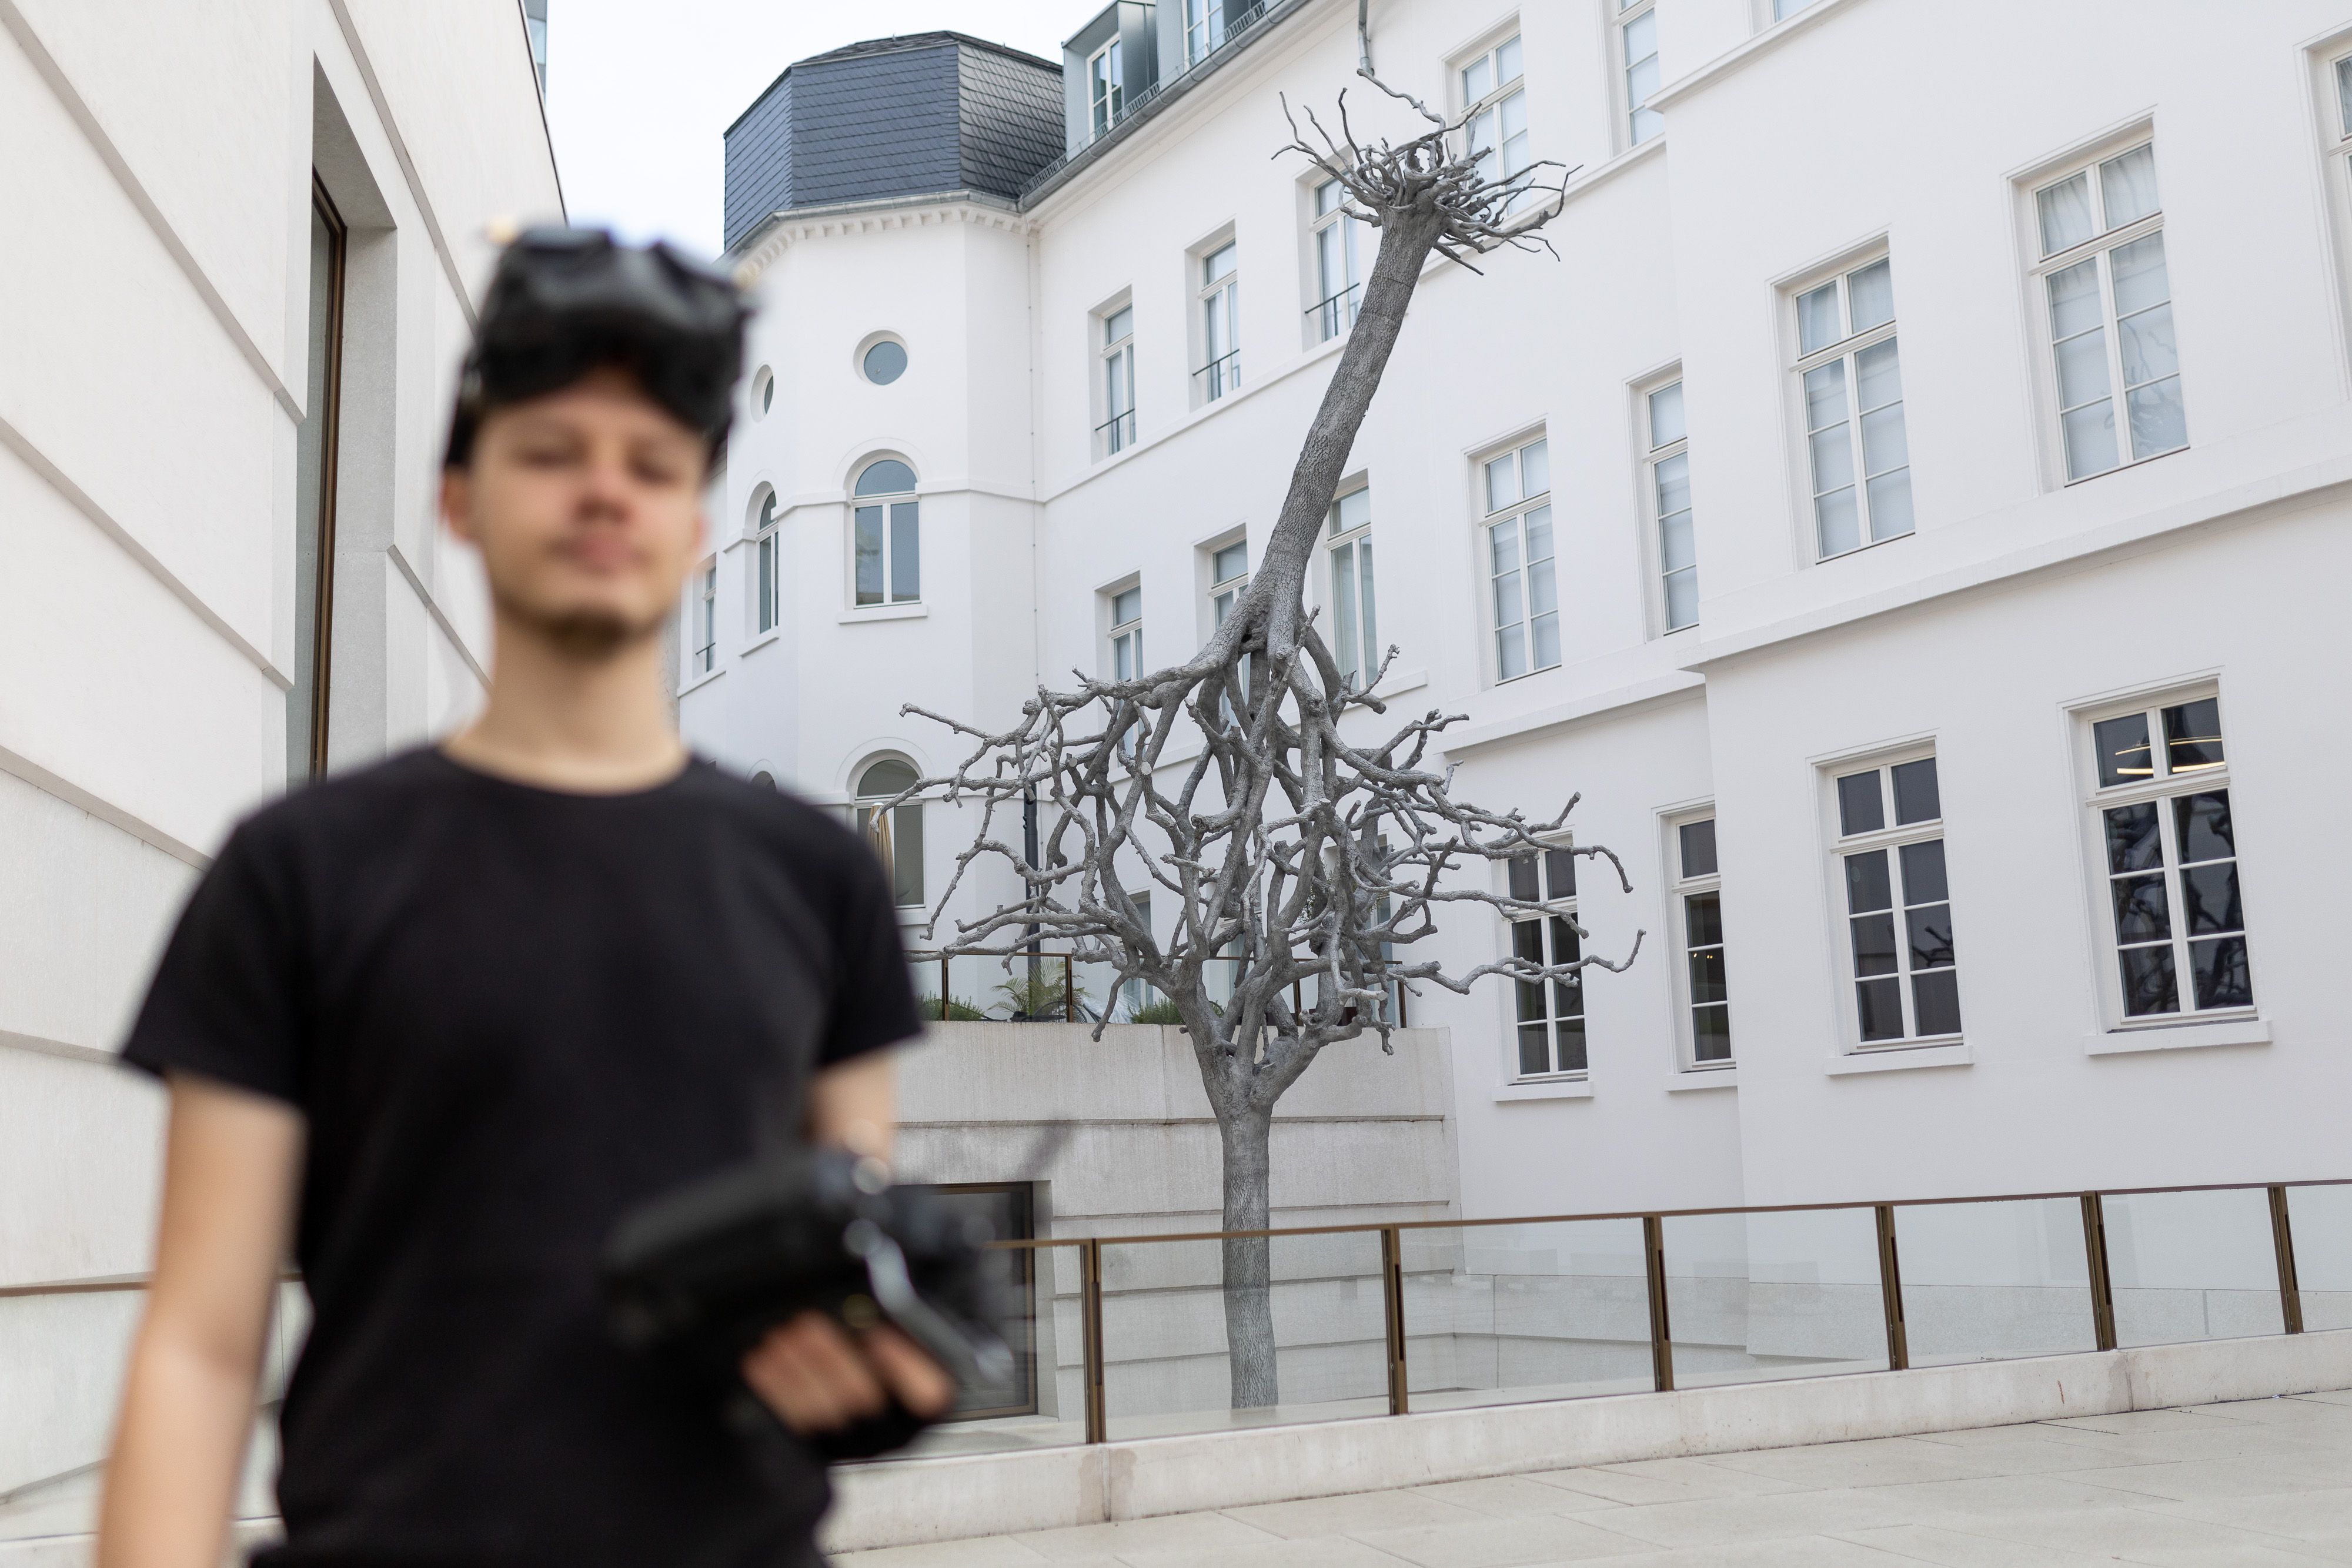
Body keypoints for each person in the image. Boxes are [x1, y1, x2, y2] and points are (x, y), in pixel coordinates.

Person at [96, 229, 950, 1568]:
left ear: (697, 528)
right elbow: (202, 1344)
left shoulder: (819, 873)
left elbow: (848, 1266)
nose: (604, 491)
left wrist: (885, 1363)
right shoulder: (295, 869)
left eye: (653, 465)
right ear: (458, 494)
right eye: (551, 450)